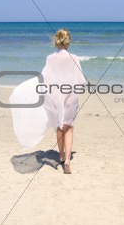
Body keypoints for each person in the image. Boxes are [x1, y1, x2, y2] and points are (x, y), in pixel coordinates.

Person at [10, 28, 86, 174]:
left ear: (56, 41)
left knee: (59, 126)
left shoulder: (50, 58)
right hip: (70, 95)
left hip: (56, 95)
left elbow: (47, 80)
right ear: (69, 41)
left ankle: (62, 156)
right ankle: (68, 160)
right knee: (69, 127)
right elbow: (81, 80)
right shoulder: (75, 58)